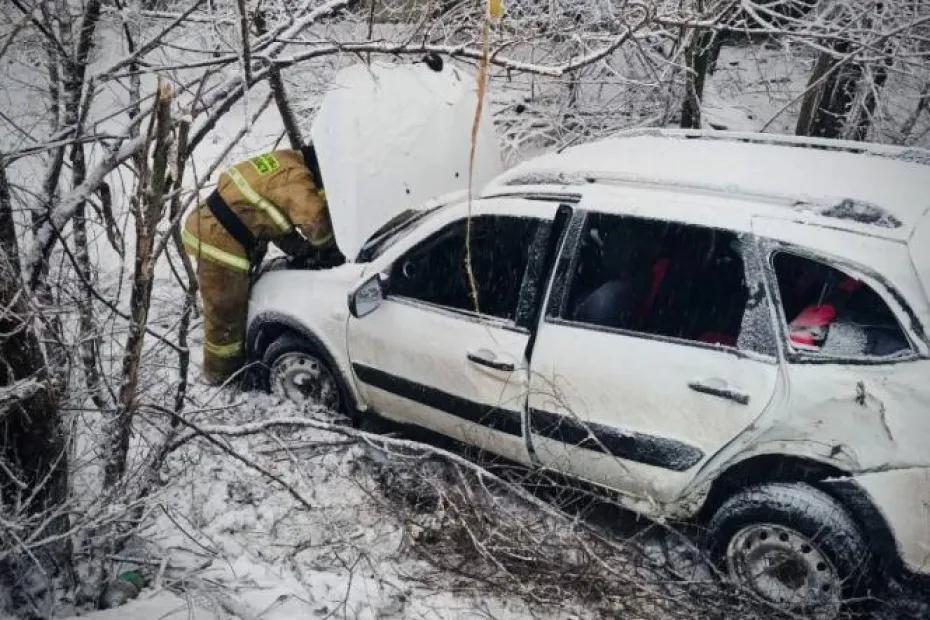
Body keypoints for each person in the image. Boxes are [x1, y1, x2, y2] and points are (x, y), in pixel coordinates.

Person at [183, 145, 340, 384]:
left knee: (233, 305)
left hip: (219, 227)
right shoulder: (296, 178)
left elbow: (275, 221)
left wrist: (304, 251)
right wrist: (333, 250)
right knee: (226, 312)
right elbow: (316, 224)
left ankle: (235, 363)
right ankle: (223, 376)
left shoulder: (287, 162)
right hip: (218, 238)